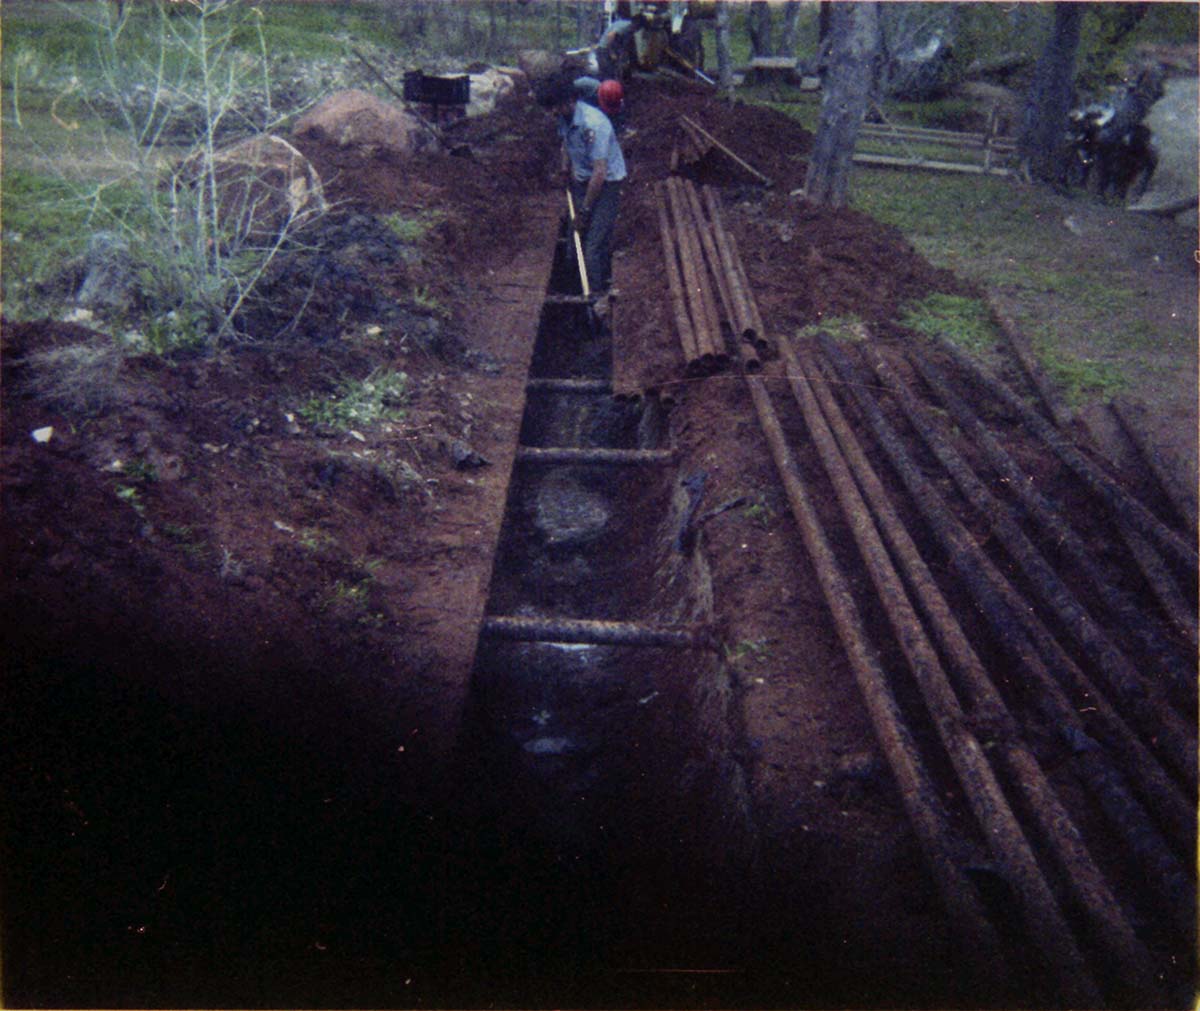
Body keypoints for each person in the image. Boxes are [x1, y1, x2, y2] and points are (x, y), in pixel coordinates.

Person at [538, 74, 627, 298]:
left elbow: (600, 172)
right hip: (582, 179)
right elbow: (566, 144)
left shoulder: (594, 125)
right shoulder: (564, 117)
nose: (552, 114)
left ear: (569, 101)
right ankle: (573, 288)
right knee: (573, 242)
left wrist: (585, 211)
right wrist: (564, 169)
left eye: (555, 108)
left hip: (606, 184)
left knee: (593, 247)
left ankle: (596, 298)